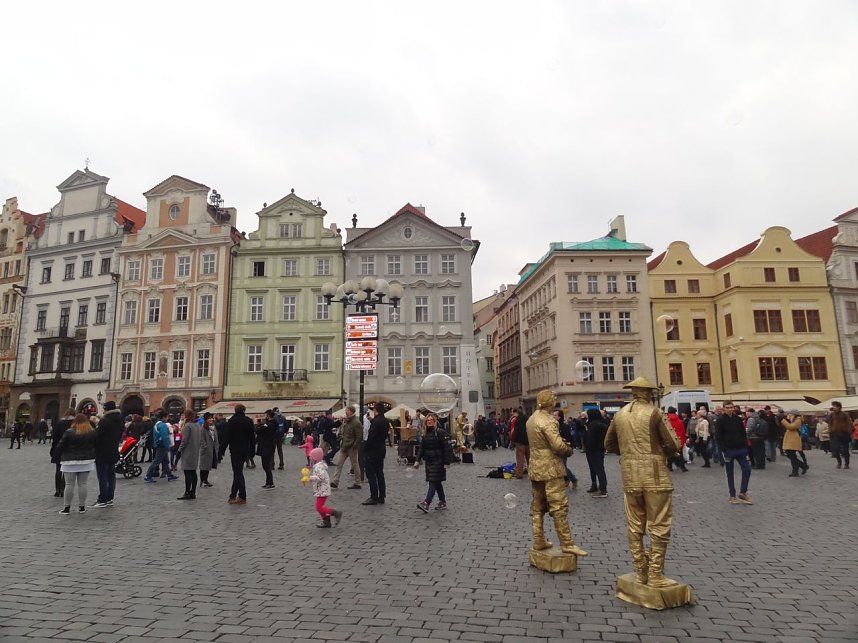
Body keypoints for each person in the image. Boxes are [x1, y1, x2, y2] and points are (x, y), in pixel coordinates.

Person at [604, 377, 682, 588]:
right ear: (648, 393)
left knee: (634, 524)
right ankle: (655, 573)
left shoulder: (619, 415)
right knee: (659, 524)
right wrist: (665, 452)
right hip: (654, 473)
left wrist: (627, 454)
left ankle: (640, 571)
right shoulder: (655, 412)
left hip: (629, 474)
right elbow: (674, 442)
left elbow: (608, 443)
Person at [526, 390, 587, 556]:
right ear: (549, 402)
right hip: (551, 467)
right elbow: (557, 446)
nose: (555, 401)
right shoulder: (548, 420)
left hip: (535, 465)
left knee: (538, 506)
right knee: (559, 505)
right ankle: (567, 543)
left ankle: (538, 540)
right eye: (553, 399)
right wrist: (568, 449)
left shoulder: (531, 419)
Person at [55, 413, 97, 514]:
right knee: (83, 484)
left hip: (69, 461)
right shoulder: (91, 432)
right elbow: (95, 445)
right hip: (86, 461)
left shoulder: (69, 432)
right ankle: (82, 507)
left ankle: (67, 507)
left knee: (69, 484)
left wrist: (59, 454)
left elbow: (60, 445)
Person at [715, 401, 752, 504]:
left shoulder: (737, 419)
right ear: (724, 409)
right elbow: (718, 437)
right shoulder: (720, 420)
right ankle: (732, 495)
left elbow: (743, 433)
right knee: (730, 473)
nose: (730, 409)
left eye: (731, 407)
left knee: (747, 470)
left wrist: (745, 445)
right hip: (729, 450)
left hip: (741, 449)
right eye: (727, 407)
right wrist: (724, 449)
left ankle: (743, 492)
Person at [415, 413, 453, 512]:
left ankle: (426, 503)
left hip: (439, 461)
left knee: (433, 482)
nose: (429, 421)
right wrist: (417, 460)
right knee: (437, 482)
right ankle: (442, 502)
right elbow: (422, 448)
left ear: (435, 421)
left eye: (431, 420)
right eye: (428, 420)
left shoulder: (439, 432)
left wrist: (447, 462)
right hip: (429, 462)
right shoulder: (425, 434)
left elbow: (447, 447)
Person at [218, 404, 255, 504]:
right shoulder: (249, 421)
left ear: (235, 410)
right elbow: (252, 438)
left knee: (238, 472)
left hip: (235, 450)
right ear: (244, 410)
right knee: (237, 472)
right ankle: (233, 495)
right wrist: (252, 451)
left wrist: (221, 452)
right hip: (245, 450)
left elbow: (227, 438)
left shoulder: (232, 421)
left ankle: (242, 495)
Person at [92, 401, 125, 508]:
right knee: (111, 476)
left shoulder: (105, 421)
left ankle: (102, 499)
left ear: (106, 409)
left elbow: (97, 436)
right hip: (113, 450)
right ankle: (110, 498)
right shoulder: (120, 420)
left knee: (103, 477)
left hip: (102, 451)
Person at [363, 402, 390, 505]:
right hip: (381, 449)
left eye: (374, 410)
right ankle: (382, 496)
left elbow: (371, 438)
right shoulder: (385, 421)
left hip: (372, 451)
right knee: (379, 473)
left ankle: (374, 496)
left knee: (371, 474)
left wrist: (365, 448)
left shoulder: (376, 422)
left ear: (376, 410)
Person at [308, 447, 342, 528]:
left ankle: (335, 513)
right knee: (319, 507)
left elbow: (321, 477)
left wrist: (310, 478)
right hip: (321, 490)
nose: (310, 460)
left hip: (323, 490)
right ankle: (326, 521)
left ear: (315, 458)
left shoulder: (318, 467)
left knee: (319, 507)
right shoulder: (318, 465)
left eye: (311, 458)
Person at [331, 405, 363, 490]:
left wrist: (354, 445)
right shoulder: (346, 421)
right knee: (339, 464)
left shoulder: (356, 422)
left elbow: (359, 436)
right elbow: (343, 432)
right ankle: (335, 481)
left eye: (347, 410)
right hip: (344, 446)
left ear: (352, 412)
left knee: (355, 465)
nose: (345, 412)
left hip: (351, 447)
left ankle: (358, 482)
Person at [144, 411, 178, 483]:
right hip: (162, 445)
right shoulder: (163, 425)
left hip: (158, 444)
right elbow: (164, 437)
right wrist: (167, 446)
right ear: (164, 417)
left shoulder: (157, 423)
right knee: (156, 461)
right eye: (167, 417)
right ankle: (148, 475)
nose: (167, 418)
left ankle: (169, 475)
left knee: (165, 461)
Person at [177, 410, 202, 500]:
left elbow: (184, 440)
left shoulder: (188, 426)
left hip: (188, 452)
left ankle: (187, 492)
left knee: (187, 472)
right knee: (193, 472)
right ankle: (193, 492)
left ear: (187, 416)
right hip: (195, 451)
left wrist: (179, 450)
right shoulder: (198, 426)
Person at [50, 409, 74, 497]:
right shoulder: (75, 424)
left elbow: (55, 438)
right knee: (66, 471)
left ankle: (57, 490)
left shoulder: (60, 423)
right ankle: (64, 489)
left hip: (59, 449)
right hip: (70, 450)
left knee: (58, 469)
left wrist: (53, 449)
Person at [584, 408, 608, 497]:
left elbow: (591, 439)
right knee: (596, 468)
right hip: (599, 449)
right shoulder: (600, 423)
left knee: (599, 469)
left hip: (593, 450)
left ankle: (603, 490)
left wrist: (589, 449)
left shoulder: (593, 425)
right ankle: (596, 486)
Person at [781, 410, 809, 477]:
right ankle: (799, 469)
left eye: (790, 414)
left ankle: (799, 468)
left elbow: (791, 427)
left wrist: (783, 421)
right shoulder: (794, 420)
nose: (789, 416)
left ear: (794, 414)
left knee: (792, 456)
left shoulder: (798, 420)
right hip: (791, 440)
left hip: (793, 440)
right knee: (791, 456)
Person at [256, 409, 278, 490]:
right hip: (270, 445)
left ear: (268, 415)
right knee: (266, 464)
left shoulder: (268, 424)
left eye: (266, 415)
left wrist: (258, 426)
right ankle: (268, 482)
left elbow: (258, 430)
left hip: (266, 445)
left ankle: (270, 482)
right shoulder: (274, 423)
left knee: (265, 465)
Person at [665, 407, 688, 472]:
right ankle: (682, 467)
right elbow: (683, 431)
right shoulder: (680, 421)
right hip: (679, 439)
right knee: (680, 453)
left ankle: (669, 467)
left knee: (670, 454)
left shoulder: (666, 421)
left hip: (670, 439)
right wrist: (684, 439)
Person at [199, 412, 219, 488]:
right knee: (204, 466)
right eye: (209, 418)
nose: (211, 419)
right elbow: (201, 439)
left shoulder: (213, 427)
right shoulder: (203, 427)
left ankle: (205, 480)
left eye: (212, 418)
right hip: (206, 449)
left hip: (212, 448)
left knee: (208, 466)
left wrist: (216, 446)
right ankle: (202, 481)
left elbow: (216, 438)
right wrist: (205, 447)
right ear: (206, 419)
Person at [829, 401, 851, 469]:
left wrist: (848, 432)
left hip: (844, 434)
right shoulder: (832, 415)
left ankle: (846, 464)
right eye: (833, 406)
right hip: (835, 434)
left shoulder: (845, 414)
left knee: (845, 450)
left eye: (835, 406)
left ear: (839, 407)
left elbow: (849, 424)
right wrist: (830, 431)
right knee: (836, 449)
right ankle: (839, 462)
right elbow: (830, 423)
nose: (833, 407)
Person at [509, 408, 529, 479]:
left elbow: (516, 431)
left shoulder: (518, 420)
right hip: (528, 441)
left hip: (520, 442)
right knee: (529, 458)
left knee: (520, 459)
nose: (513, 415)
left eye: (513, 413)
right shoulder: (527, 418)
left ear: (516, 412)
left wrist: (513, 440)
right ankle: (532, 472)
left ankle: (519, 474)